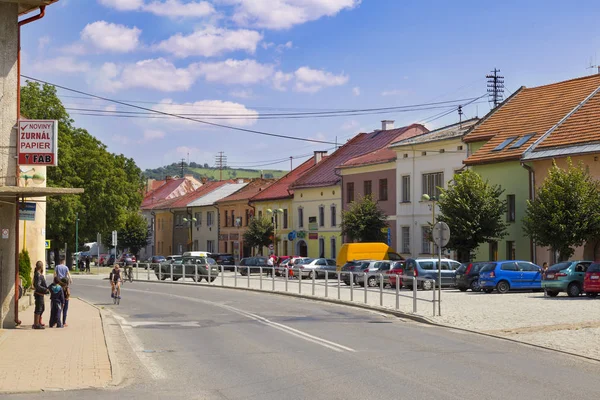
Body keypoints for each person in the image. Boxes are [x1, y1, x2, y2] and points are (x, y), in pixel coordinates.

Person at [33, 261, 49, 330]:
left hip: (40, 294)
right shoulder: (38, 275)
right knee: (39, 309)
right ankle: (36, 324)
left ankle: (37, 322)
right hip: (39, 294)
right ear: (41, 267)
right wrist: (45, 290)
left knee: (41, 308)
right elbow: (37, 285)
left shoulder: (37, 274)